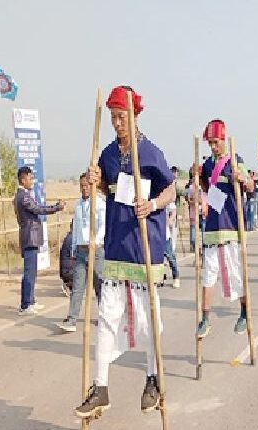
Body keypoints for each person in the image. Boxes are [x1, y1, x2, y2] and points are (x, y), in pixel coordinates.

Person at [75, 85, 175, 418]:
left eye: (122, 117)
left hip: (144, 246)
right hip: (116, 245)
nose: (117, 123)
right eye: (114, 118)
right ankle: (100, 387)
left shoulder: (151, 153)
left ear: (134, 116)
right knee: (106, 318)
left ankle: (153, 380)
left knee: (147, 320)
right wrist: (97, 181)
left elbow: (171, 189)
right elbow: (107, 189)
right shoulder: (107, 154)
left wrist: (153, 204)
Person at [196, 119, 254, 339]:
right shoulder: (207, 165)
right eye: (210, 143)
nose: (213, 147)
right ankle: (205, 318)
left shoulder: (235, 161)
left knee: (236, 274)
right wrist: (198, 177)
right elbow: (206, 188)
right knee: (208, 274)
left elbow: (250, 186)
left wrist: (242, 178)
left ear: (223, 140)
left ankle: (244, 312)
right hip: (212, 226)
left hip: (230, 226)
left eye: (216, 142)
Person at [57, 173, 106, 332]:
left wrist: (96, 241)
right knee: (77, 287)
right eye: (82, 186)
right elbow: (76, 228)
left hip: (96, 250)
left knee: (99, 286)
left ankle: (105, 317)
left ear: (93, 186)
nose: (84, 188)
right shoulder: (78, 205)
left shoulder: (100, 204)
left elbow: (103, 225)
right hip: (80, 251)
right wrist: (74, 247)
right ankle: (71, 320)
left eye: (86, 185)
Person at [13, 166, 65, 316]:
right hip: (30, 237)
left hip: (31, 237)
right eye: (30, 178)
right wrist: (57, 207)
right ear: (23, 180)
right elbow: (38, 209)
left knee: (32, 272)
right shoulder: (23, 197)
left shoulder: (24, 195)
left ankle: (31, 301)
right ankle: (25, 305)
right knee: (29, 273)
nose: (32, 181)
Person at [164, 201, 180, 288]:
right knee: (156, 258)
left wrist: (170, 220)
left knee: (170, 257)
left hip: (165, 234)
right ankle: (159, 277)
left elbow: (174, 210)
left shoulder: (164, 196)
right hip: (152, 234)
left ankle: (176, 276)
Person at [59, 221, 75, 297]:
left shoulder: (70, 237)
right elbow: (74, 255)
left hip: (67, 269)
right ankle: (69, 283)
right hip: (68, 270)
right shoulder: (71, 239)